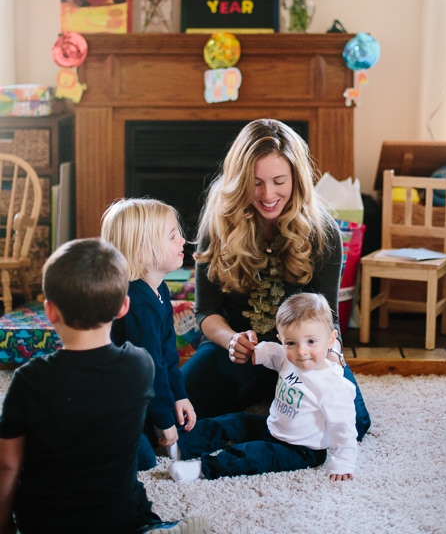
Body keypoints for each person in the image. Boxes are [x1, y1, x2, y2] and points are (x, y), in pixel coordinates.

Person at [0, 238, 209, 534]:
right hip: (118, 516)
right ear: (123, 306)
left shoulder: (28, 379)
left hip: (45, 522)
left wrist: (4, 524)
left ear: (49, 311)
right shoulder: (140, 366)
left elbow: (8, 464)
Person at [181, 118, 370, 441]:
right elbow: (206, 313)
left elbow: (330, 319)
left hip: (303, 354)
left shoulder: (323, 231)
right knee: (174, 412)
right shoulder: (218, 223)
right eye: (256, 183)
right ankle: (263, 413)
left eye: (279, 181)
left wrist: (333, 355)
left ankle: (250, 421)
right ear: (239, 181)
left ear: (296, 179)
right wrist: (231, 340)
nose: (268, 195)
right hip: (237, 352)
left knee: (352, 425)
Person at [169, 293, 357, 483]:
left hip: (302, 449)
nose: (301, 351)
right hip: (273, 427)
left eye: (311, 342)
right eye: (291, 343)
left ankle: (201, 469)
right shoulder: (287, 357)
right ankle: (182, 444)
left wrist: (343, 463)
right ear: (281, 340)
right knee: (234, 422)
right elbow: (274, 353)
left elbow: (344, 429)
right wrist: (254, 349)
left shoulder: (333, 385)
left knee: (252, 455)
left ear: (331, 340)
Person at [101, 198, 196, 470]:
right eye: (172, 236)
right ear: (142, 252)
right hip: (116, 403)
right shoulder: (137, 304)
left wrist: (179, 396)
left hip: (139, 395)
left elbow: (167, 355)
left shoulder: (161, 290)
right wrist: (164, 421)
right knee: (144, 459)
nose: (183, 241)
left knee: (184, 426)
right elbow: (150, 369)